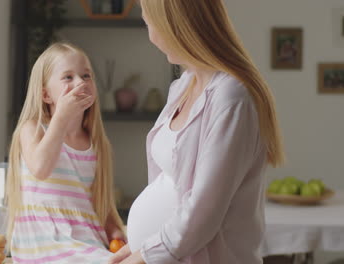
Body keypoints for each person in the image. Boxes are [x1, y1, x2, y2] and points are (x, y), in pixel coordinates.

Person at [109, 1, 285, 263]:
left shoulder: (230, 96)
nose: (151, 37)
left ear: (175, 25)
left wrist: (144, 255)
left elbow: (204, 212)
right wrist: (139, 247)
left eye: (149, 24)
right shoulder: (183, 87)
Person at [6, 42, 125, 263]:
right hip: (44, 243)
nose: (80, 82)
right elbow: (40, 168)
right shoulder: (32, 129)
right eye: (68, 77)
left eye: (86, 76)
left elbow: (101, 203)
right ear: (46, 95)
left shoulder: (97, 143)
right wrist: (61, 117)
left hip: (85, 242)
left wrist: (115, 231)